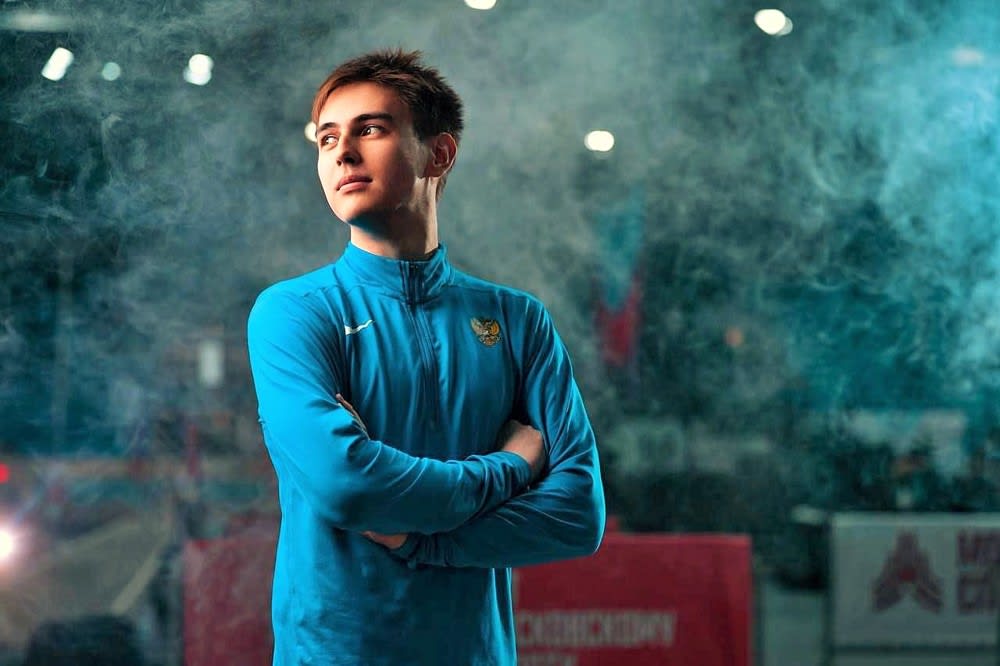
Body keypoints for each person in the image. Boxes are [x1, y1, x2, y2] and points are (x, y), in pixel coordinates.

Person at [246, 49, 605, 666]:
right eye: (327, 138)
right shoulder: (293, 313)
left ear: (438, 154)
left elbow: (576, 513)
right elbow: (347, 485)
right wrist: (508, 468)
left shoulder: (518, 321)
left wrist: (420, 540)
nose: (342, 153)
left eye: (371, 129)